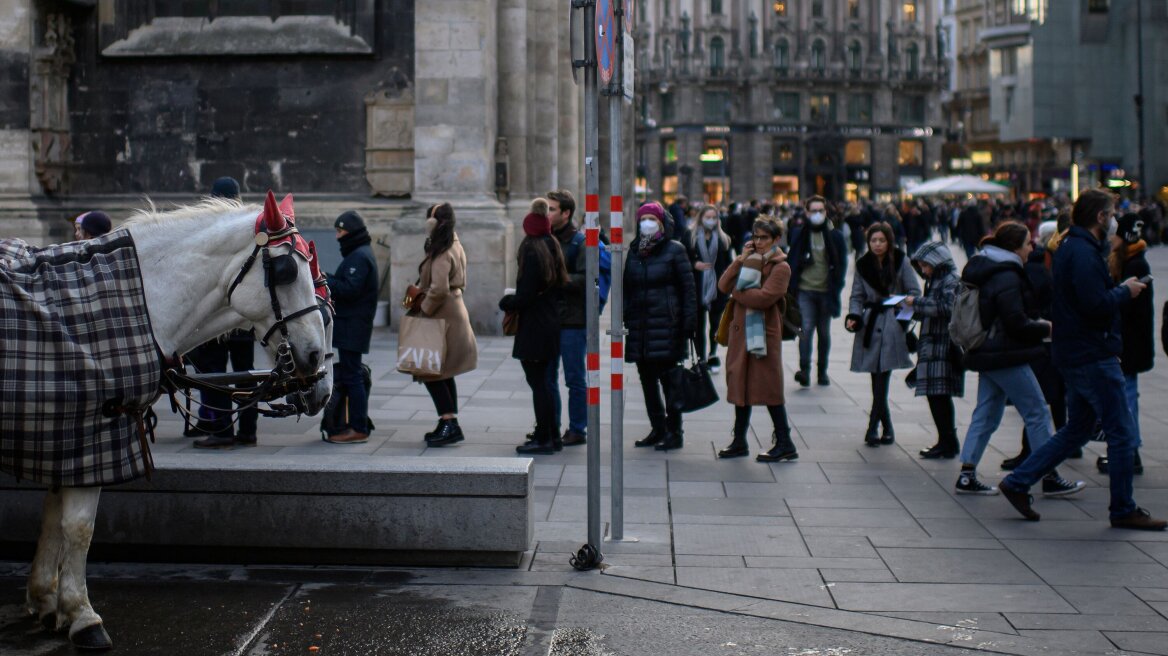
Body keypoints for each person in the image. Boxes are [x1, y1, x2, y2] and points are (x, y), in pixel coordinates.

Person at [1000, 190, 1163, 529]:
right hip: (1091, 353)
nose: (1116, 219)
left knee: (1078, 428)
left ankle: (1018, 481)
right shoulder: (1084, 254)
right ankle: (1123, 508)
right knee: (1120, 431)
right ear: (1100, 218)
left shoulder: (1071, 248)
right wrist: (1124, 291)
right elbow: (1095, 305)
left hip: (1074, 350)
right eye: (1112, 213)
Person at [954, 222, 1083, 495]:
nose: (1031, 247)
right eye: (1027, 243)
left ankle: (966, 474)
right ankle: (1049, 474)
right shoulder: (1007, 274)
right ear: (1014, 247)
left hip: (986, 351)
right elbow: (1015, 322)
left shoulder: (987, 266)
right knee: (1036, 411)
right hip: (1006, 354)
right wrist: (1046, 327)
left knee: (986, 413)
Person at [187, 177, 262, 449]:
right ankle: (248, 431)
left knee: (215, 373)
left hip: (216, 317)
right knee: (245, 373)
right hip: (242, 316)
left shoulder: (210, 228)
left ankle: (220, 430)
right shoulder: (250, 226)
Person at [716, 216, 797, 461]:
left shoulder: (781, 266)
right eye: (756, 237)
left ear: (776, 239)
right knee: (740, 385)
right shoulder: (748, 261)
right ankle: (739, 440)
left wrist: (738, 291)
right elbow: (722, 285)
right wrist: (739, 260)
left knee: (770, 389)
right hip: (742, 334)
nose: (759, 242)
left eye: (764, 237)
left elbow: (763, 298)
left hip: (763, 335)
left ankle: (785, 442)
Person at [625, 201, 697, 452]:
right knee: (646, 380)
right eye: (643, 219)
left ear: (662, 223)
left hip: (668, 325)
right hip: (641, 326)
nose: (646, 224)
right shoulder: (635, 250)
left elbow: (688, 289)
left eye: (652, 220)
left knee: (670, 381)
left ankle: (675, 432)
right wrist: (626, 318)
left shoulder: (674, 250)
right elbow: (627, 288)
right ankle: (658, 428)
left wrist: (689, 323)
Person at [500, 199, 568, 455]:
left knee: (539, 384)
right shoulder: (552, 244)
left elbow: (526, 294)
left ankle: (544, 438)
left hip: (534, 326)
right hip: (550, 322)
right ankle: (551, 435)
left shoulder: (531, 248)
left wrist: (507, 301)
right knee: (545, 383)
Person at [845, 223, 920, 447]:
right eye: (873, 241)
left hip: (892, 325)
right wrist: (854, 316)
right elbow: (856, 295)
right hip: (870, 324)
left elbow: (914, 292)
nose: (877, 245)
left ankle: (872, 428)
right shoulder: (862, 264)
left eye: (881, 240)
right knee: (876, 377)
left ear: (889, 241)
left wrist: (902, 321)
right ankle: (887, 427)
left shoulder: (901, 260)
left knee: (882, 376)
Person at [415, 203, 478, 447]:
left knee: (432, 371)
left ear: (434, 222)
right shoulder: (453, 243)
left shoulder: (442, 250)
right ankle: (448, 421)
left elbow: (439, 288)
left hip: (442, 314)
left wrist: (424, 307)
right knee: (443, 370)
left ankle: (449, 422)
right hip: (451, 312)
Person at [1096, 212, 1155, 474]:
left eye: (1115, 233)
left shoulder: (1135, 266)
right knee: (1127, 394)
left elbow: (1130, 310)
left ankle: (1130, 453)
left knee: (1127, 395)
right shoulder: (1131, 261)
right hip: (1130, 341)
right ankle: (1129, 452)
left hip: (1129, 343)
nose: (1110, 237)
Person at [323, 210, 379, 444]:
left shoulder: (359, 256)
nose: (337, 237)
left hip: (353, 324)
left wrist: (325, 279)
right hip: (351, 323)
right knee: (350, 372)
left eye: (340, 231)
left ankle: (358, 427)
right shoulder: (359, 254)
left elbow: (349, 290)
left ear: (351, 232)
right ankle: (353, 422)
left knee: (353, 375)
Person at [906, 242, 964, 459]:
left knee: (939, 394)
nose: (923, 270)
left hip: (943, 346)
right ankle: (946, 440)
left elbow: (948, 308)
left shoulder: (950, 280)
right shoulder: (936, 280)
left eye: (925, 266)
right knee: (935, 394)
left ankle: (948, 441)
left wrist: (916, 303)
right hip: (932, 345)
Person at [787, 195, 847, 387]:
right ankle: (804, 369)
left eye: (820, 211)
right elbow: (792, 259)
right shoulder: (799, 233)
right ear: (806, 213)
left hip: (826, 291)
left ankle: (822, 371)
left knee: (824, 332)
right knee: (805, 330)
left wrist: (836, 285)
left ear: (826, 212)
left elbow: (841, 264)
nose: (817, 214)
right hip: (805, 290)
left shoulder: (835, 235)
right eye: (813, 211)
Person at [546, 189, 588, 446]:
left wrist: (559, 279)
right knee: (547, 377)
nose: (548, 213)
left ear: (566, 213)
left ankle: (577, 429)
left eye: (552, 209)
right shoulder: (543, 238)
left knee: (574, 377)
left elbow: (586, 278)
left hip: (572, 320)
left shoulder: (579, 242)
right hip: (548, 318)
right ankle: (550, 426)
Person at [688, 204, 732, 373]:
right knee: (698, 324)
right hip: (696, 287)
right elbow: (684, 259)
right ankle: (701, 358)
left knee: (715, 324)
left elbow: (728, 264)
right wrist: (695, 264)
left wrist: (728, 285)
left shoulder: (723, 239)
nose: (711, 220)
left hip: (717, 288)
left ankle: (713, 354)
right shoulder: (690, 237)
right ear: (701, 218)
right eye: (708, 217)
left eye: (714, 217)